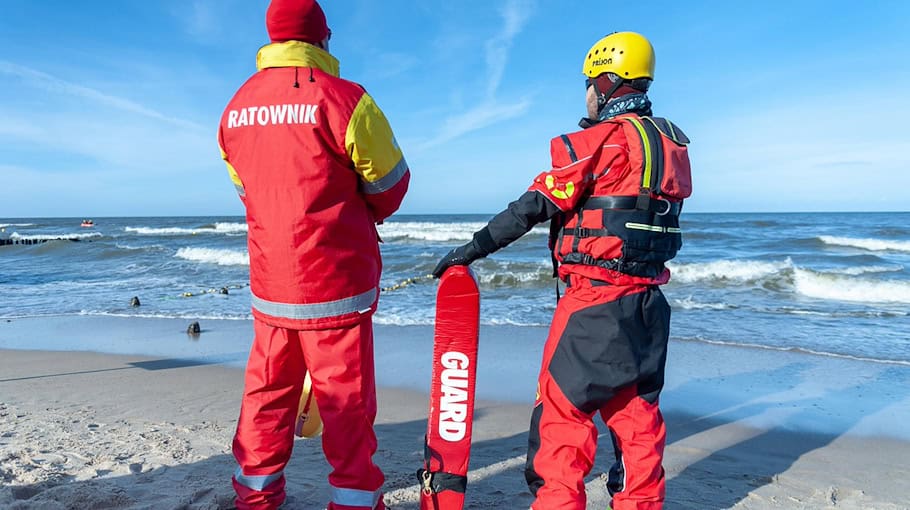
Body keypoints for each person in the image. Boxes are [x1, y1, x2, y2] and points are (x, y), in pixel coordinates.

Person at [433, 32, 691, 510]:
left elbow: (533, 206)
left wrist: (469, 251)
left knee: (561, 422)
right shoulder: (669, 145)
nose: (587, 95)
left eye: (590, 85)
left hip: (593, 304)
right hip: (649, 307)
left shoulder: (601, 141)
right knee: (636, 418)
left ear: (607, 82)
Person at [217, 1, 410, 508]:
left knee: (266, 396)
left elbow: (247, 189)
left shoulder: (236, 107)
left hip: (272, 286)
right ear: (322, 40)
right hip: (336, 286)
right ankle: (351, 500)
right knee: (345, 404)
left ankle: (255, 497)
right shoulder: (346, 99)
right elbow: (391, 186)